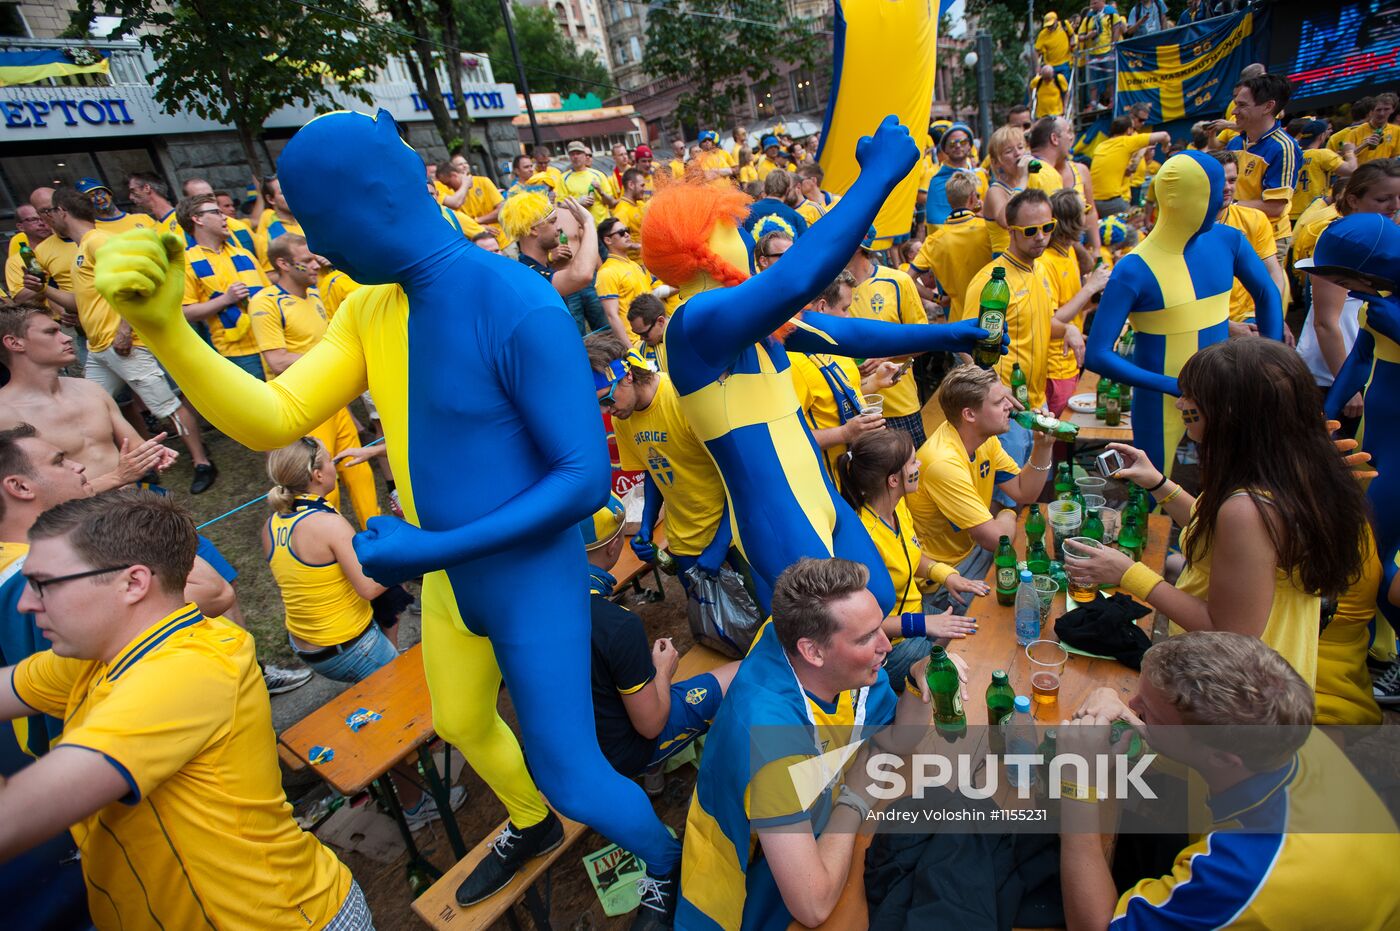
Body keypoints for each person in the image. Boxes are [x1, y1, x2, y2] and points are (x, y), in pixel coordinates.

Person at [96, 109, 684, 925]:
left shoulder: (516, 303)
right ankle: (528, 820)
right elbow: (276, 416)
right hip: (442, 571)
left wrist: (430, 545)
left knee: (572, 770)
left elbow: (584, 479)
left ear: (374, 201)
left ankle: (664, 857)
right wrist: (165, 329)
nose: (312, 249)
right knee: (461, 719)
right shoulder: (371, 308)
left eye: (317, 225)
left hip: (525, 578)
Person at [639, 116, 991, 621]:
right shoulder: (696, 321)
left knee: (879, 604)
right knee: (841, 638)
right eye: (730, 226)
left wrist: (950, 332)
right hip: (780, 519)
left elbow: (845, 335)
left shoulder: (739, 315)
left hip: (818, 498)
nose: (739, 233)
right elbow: (799, 277)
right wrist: (879, 176)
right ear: (700, 242)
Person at [0, 489, 375, 929]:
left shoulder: (184, 672)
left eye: (43, 584)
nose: (26, 603)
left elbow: (12, 820)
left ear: (133, 582)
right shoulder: (95, 657)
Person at [1064, 340, 1370, 687]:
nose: (1180, 403)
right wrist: (1160, 484)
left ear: (1229, 413)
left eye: (1192, 397)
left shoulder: (1247, 509)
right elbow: (1227, 541)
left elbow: (1230, 630)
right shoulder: (1291, 470)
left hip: (1238, 690)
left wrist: (1130, 573)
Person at [1057, 632, 1400, 930]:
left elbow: (1094, 926)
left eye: (1150, 712)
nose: (1132, 705)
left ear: (1222, 758)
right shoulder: (1287, 733)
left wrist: (1076, 787)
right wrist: (1110, 697)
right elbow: (1180, 746)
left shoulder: (1244, 870)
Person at [677, 557, 941, 929]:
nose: (886, 644)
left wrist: (917, 679)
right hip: (748, 899)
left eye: (880, 626)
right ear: (812, 651)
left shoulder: (818, 653)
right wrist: (855, 798)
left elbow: (899, 740)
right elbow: (812, 906)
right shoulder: (770, 738)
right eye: (867, 637)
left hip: (811, 835)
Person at [1084, 152, 1283, 477]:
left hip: (1225, 391)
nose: (1225, 196)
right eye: (1216, 190)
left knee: (1236, 482)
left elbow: (1267, 293)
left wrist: (1268, 363)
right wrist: (1174, 385)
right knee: (1154, 495)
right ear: (1192, 198)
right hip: (1163, 403)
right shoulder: (1134, 269)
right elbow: (1097, 354)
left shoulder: (1228, 240)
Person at [49, 189, 218, 492]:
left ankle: (201, 461)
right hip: (98, 349)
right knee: (92, 407)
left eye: (49, 213)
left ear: (62, 211)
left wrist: (125, 328)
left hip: (124, 345)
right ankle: (130, 468)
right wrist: (40, 291)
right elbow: (80, 301)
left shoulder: (98, 242)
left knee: (165, 406)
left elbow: (135, 283)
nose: (47, 220)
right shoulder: (80, 249)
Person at [579, 496, 738, 792]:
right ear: (615, 546)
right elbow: (650, 724)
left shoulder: (533, 609)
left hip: (573, 747)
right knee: (742, 671)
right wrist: (663, 670)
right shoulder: (618, 625)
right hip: (622, 754)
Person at [1308, 215, 1400, 692]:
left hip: (1396, 452)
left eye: (1343, 279)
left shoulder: (1387, 306)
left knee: (1382, 566)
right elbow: (1360, 358)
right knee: (1364, 550)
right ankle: (1365, 649)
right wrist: (1324, 417)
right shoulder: (1377, 303)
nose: (1338, 288)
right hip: (1372, 440)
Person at [249, 234, 380, 528]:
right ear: (283, 263)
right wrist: (334, 363)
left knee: (358, 472)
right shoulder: (266, 302)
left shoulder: (315, 295)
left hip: (332, 402)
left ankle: (381, 542)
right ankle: (332, 551)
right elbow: (276, 360)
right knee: (319, 488)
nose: (315, 265)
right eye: (306, 260)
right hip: (302, 408)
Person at [838, 429, 985, 687]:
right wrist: (925, 624)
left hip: (915, 615)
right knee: (959, 675)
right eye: (913, 462)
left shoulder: (898, 507)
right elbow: (868, 626)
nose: (920, 465)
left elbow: (911, 558)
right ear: (893, 480)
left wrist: (946, 575)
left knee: (974, 637)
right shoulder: (865, 540)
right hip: (889, 644)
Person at [586, 333, 734, 588]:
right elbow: (654, 469)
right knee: (709, 624)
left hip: (731, 537)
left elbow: (739, 476)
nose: (606, 412)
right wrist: (647, 524)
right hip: (683, 541)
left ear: (628, 375)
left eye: (606, 400)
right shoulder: (624, 418)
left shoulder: (682, 398)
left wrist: (721, 543)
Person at [906, 364, 1054, 615]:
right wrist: (1008, 514)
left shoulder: (983, 438)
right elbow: (997, 540)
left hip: (970, 554)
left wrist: (1043, 446)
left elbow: (1023, 492)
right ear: (969, 415)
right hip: (943, 579)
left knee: (1042, 577)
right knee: (1022, 607)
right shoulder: (943, 462)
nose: (1010, 405)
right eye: (999, 402)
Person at [0, 304, 175, 494]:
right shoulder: (5, 415)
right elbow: (33, 497)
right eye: (51, 332)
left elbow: (132, 443)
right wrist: (117, 477)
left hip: (130, 506)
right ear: (15, 343)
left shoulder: (89, 389)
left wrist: (153, 454)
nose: (67, 337)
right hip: (78, 520)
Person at [1297, 161, 1400, 424]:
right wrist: (1347, 385)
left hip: (1372, 366)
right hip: (1335, 372)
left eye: (1399, 197)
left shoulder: (1388, 236)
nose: (1395, 205)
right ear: (1353, 200)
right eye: (1383, 199)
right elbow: (1325, 322)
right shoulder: (1342, 241)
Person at [965, 188, 1085, 412]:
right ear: (1011, 231)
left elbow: (1041, 322)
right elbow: (964, 345)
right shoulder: (991, 281)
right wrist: (996, 393)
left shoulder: (1040, 269)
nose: (1040, 237)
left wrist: (1067, 329)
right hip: (1005, 407)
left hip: (1037, 402)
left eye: (1047, 227)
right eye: (1030, 231)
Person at [789, 271, 894, 482]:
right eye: (845, 309)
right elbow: (787, 439)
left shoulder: (837, 346)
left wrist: (875, 383)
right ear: (821, 307)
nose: (849, 317)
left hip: (854, 476)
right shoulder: (795, 363)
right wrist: (844, 434)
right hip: (827, 485)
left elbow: (837, 398)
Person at [845, 228, 930, 447]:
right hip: (854, 409)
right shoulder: (830, 290)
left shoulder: (897, 282)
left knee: (911, 476)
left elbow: (924, 339)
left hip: (901, 407)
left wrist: (883, 357)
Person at [179, 192, 275, 381]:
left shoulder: (244, 254)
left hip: (272, 342)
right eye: (216, 212)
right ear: (197, 219)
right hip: (238, 354)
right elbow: (185, 312)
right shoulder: (186, 262)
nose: (224, 216)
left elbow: (270, 293)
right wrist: (226, 300)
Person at [1042, 189, 1110, 414]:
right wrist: (1090, 287)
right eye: (1085, 210)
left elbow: (1073, 306)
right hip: (1054, 368)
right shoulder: (1045, 263)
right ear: (1073, 220)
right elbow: (1052, 321)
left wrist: (1097, 295)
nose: (1089, 215)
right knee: (1057, 440)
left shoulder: (1069, 251)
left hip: (1072, 360)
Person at [500, 193, 604, 336]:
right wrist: (588, 223)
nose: (559, 227)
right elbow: (582, 275)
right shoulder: (529, 273)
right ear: (533, 229)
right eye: (552, 221)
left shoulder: (537, 266)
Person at [1210, 153, 1287, 335]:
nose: (1227, 187)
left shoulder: (1253, 219)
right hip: (1206, 321)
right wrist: (1227, 327)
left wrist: (1273, 317)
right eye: (1220, 181)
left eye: (1232, 180)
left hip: (1249, 316)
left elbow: (1273, 272)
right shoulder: (1186, 226)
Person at [1225, 73, 1303, 253]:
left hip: (1268, 240)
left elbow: (1275, 207)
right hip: (1238, 232)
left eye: (1242, 105)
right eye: (1236, 104)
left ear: (1268, 107)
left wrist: (1228, 204)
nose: (1234, 112)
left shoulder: (1283, 147)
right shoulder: (1235, 143)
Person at [910, 172, 992, 322]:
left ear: (949, 200)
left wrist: (938, 299)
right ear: (973, 197)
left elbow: (908, 278)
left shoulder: (934, 240)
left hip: (957, 321)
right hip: (991, 317)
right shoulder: (988, 230)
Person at [1090, 117, 1171, 217]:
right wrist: (1165, 147)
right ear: (1129, 130)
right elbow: (1164, 135)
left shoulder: (1101, 146)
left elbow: (1125, 171)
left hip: (1094, 202)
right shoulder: (1126, 142)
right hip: (1112, 202)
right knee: (1137, 222)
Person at [983, 124, 1037, 257]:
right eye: (1009, 151)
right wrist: (1022, 180)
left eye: (1020, 147)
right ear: (996, 162)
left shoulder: (1030, 183)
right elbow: (1005, 220)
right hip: (1006, 259)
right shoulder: (995, 190)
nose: (1018, 154)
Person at [1289, 119, 1356, 222]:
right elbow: (1351, 170)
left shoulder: (1291, 154)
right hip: (1313, 212)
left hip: (1289, 213)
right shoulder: (1322, 154)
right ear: (1321, 136)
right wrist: (1349, 152)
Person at [923, 122, 988, 226]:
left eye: (963, 142)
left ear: (970, 146)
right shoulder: (936, 178)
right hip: (949, 238)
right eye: (952, 143)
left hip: (978, 236)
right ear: (945, 149)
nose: (958, 146)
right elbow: (935, 219)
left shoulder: (980, 175)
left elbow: (988, 211)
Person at [1329, 92, 1399, 164]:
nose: (1382, 113)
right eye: (1378, 110)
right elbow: (1343, 159)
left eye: (1386, 109)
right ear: (1371, 112)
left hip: (1383, 173)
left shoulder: (1397, 131)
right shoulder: (1354, 132)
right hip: (1361, 174)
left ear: (1393, 110)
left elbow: (1396, 157)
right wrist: (1363, 145)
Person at [252, 176, 305, 272]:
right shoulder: (266, 238)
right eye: (283, 192)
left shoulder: (312, 221)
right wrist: (304, 268)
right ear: (270, 199)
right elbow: (270, 276)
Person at [562, 141, 620, 225]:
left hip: (602, 227)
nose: (575, 156)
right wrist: (578, 202)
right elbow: (560, 205)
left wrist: (601, 191)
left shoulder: (598, 175)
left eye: (578, 153)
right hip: (581, 228)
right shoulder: (564, 178)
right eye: (572, 154)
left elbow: (611, 203)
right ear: (569, 157)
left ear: (585, 156)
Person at [742, 170, 810, 240]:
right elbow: (804, 246)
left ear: (764, 188)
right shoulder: (797, 218)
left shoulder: (748, 212)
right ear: (787, 190)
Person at [75, 177, 154, 236]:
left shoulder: (143, 218)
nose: (98, 198)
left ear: (109, 194)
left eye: (99, 193)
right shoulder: (91, 230)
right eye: (90, 197)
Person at [628, 292, 669, 372]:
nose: (641, 338)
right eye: (637, 334)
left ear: (660, 321)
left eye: (644, 334)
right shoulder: (639, 350)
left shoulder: (683, 339)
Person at [1034, 11, 1074, 81]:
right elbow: (1037, 51)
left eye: (1051, 25)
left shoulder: (1064, 24)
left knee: (1064, 87)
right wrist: (1037, 66)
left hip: (1065, 62)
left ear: (1056, 21)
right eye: (1048, 26)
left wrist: (1072, 42)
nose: (1050, 28)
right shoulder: (1043, 34)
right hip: (1050, 66)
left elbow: (1072, 35)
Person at [613, 168, 648, 248]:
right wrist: (640, 246)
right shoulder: (621, 211)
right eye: (642, 185)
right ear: (631, 185)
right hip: (635, 260)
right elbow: (618, 241)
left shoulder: (640, 204)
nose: (644, 189)